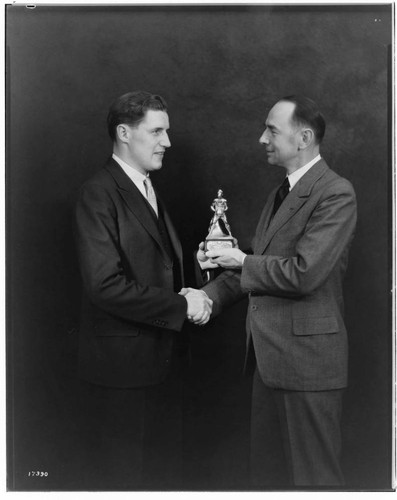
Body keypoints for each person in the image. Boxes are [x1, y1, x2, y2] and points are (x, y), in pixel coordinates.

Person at [183, 95, 357, 487]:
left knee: (316, 484)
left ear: (304, 138)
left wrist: (237, 260)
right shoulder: (279, 195)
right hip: (269, 363)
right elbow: (256, 268)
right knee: (269, 481)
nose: (262, 138)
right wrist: (206, 297)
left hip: (308, 367)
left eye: (271, 130)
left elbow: (302, 274)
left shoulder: (335, 193)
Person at [74, 90, 212, 489]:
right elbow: (104, 286)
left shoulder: (146, 186)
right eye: (157, 132)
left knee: (163, 480)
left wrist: (197, 269)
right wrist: (181, 305)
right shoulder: (98, 193)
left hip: (162, 366)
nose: (167, 142)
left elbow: (160, 265)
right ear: (123, 133)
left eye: (166, 132)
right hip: (123, 375)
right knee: (126, 483)